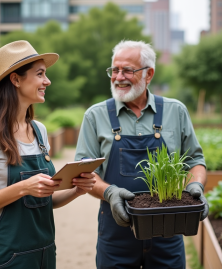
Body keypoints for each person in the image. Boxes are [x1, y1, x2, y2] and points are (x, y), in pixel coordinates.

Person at [75, 40, 208, 269]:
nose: (118, 77)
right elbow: (85, 174)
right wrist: (109, 192)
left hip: (169, 229)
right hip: (116, 231)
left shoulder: (175, 111)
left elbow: (195, 160)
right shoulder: (95, 116)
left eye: (127, 70)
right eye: (114, 70)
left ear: (149, 74)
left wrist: (196, 186)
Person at [0, 40, 96, 269]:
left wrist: (77, 190)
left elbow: (43, 200)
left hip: (44, 255)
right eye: (40, 74)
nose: (48, 81)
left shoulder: (39, 130)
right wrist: (23, 187)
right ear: (15, 79)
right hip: (5, 258)